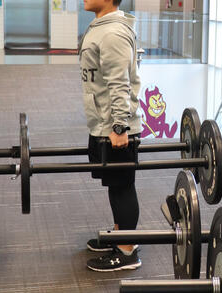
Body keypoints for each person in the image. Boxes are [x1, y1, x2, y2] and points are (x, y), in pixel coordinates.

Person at [79, 0, 142, 272]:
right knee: (115, 184)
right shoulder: (101, 28)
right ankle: (119, 236)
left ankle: (127, 252)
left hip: (114, 128)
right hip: (103, 122)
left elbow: (119, 83)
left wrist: (119, 126)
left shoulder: (113, 33)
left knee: (122, 186)